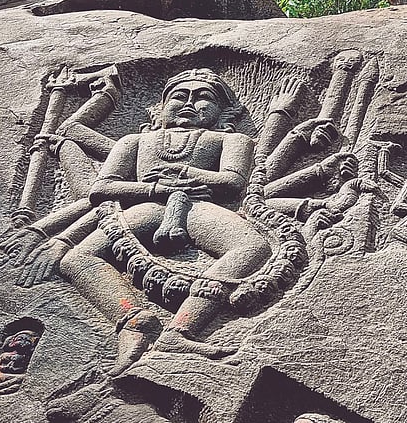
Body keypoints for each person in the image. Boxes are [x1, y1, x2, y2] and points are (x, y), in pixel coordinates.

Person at [56, 69, 269, 371]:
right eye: (180, 96)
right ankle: (133, 321)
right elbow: (102, 188)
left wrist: (186, 174)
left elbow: (233, 182)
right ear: (160, 109)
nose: (190, 103)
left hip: (198, 206)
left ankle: (180, 330)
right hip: (149, 205)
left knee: (252, 248)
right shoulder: (134, 141)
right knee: (76, 259)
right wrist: (156, 188)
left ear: (223, 112)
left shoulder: (231, 140)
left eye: (203, 97)